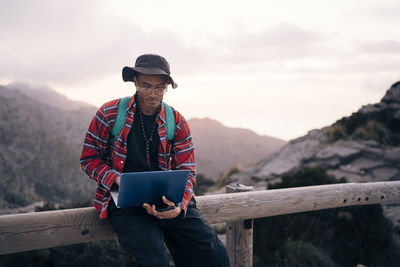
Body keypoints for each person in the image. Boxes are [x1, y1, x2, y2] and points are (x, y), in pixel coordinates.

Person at [80, 54, 229, 267]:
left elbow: (188, 170)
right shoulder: (110, 113)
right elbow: (88, 158)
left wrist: (180, 206)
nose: (152, 94)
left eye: (159, 88)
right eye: (146, 86)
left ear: (167, 86)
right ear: (135, 82)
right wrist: (116, 179)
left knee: (214, 256)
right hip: (125, 202)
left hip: (168, 200)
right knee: (155, 261)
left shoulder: (176, 121)